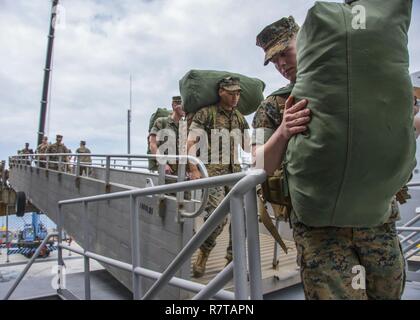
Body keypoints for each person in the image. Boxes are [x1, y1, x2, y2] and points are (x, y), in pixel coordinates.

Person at [254, 17, 406, 300]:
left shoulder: (356, 81)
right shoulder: (274, 106)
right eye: (274, 61)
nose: (281, 64)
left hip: (375, 219)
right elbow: (259, 165)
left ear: (305, 41)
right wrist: (284, 131)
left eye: (285, 53)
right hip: (319, 231)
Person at [188, 76, 249, 278]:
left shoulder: (239, 117)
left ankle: (233, 260)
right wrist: (193, 168)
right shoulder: (206, 114)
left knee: (242, 216)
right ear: (221, 91)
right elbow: (191, 142)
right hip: (213, 173)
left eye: (238, 93)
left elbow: (249, 146)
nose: (235, 97)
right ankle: (204, 253)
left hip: (235, 173)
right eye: (231, 93)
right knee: (217, 217)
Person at [149, 96, 186, 175]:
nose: (184, 108)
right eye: (182, 105)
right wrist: (162, 163)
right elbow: (152, 144)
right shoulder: (161, 122)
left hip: (182, 171)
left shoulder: (185, 126)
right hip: (166, 171)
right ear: (174, 105)